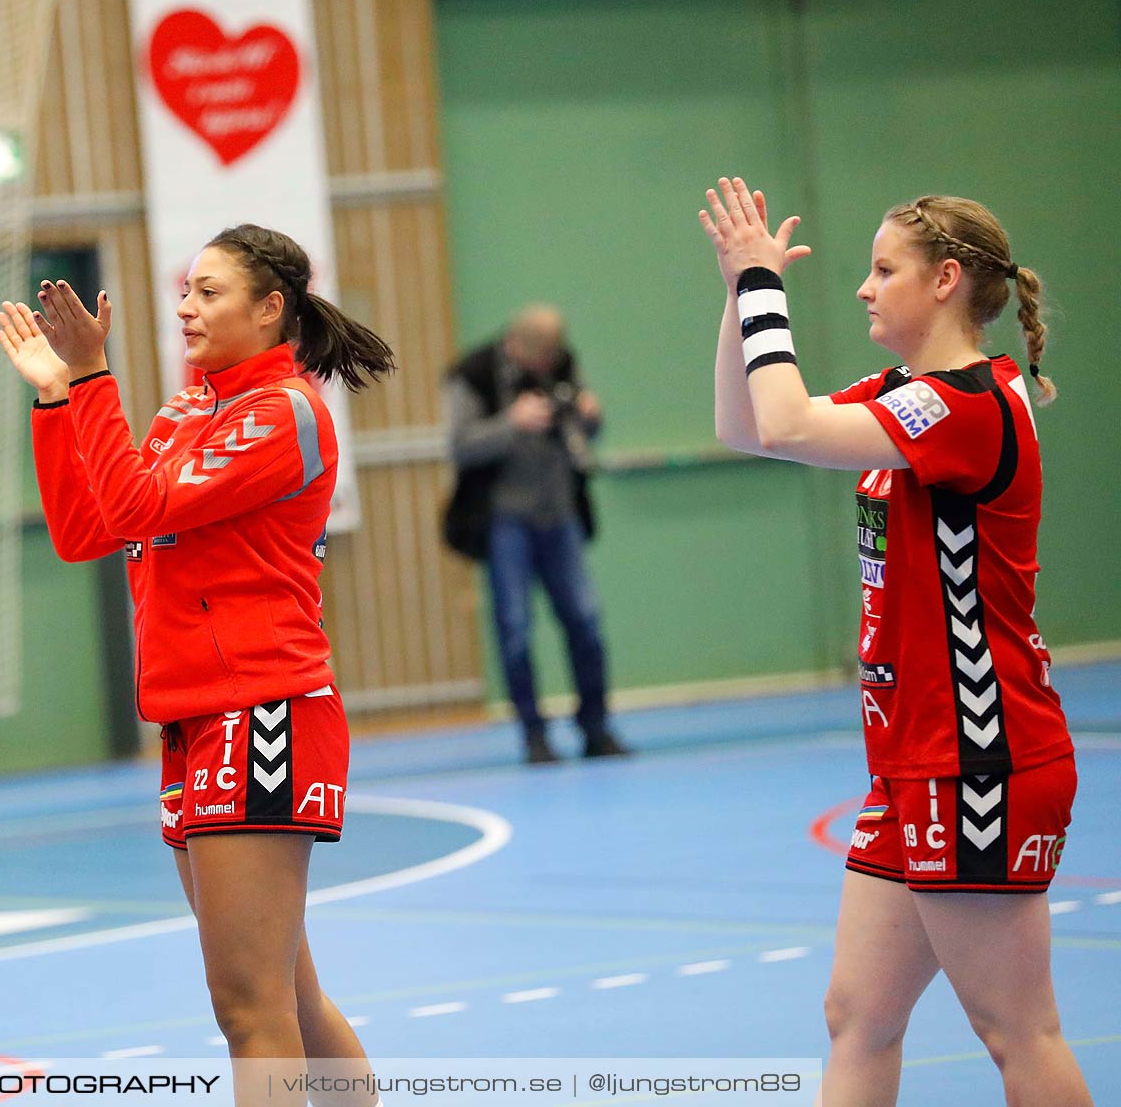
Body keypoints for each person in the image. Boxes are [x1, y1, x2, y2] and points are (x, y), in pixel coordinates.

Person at [703, 178, 1088, 1106]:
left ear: (947, 280)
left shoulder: (966, 408)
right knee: (858, 1015)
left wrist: (767, 290)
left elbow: (789, 416)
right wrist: (737, 290)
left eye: (885, 270)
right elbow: (750, 424)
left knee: (1015, 1030)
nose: (865, 288)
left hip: (978, 762)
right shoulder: (905, 394)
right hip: (912, 760)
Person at [0, 224, 393, 1107]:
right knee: (280, 993)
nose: (185, 307)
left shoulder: (281, 412)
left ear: (269, 307)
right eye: (186, 289)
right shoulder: (190, 408)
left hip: (263, 711)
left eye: (209, 292)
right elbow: (86, 530)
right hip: (197, 715)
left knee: (248, 1006)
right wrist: (59, 395)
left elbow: (135, 504)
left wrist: (94, 376)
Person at [442, 305, 628, 764]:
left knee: (585, 622)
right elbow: (459, 446)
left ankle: (595, 727)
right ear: (517, 346)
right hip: (506, 520)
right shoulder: (472, 374)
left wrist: (590, 416)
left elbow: (585, 427)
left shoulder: (564, 363)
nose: (548, 366)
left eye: (553, 357)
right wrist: (512, 423)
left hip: (559, 513)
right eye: (540, 359)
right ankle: (533, 734)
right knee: (515, 629)